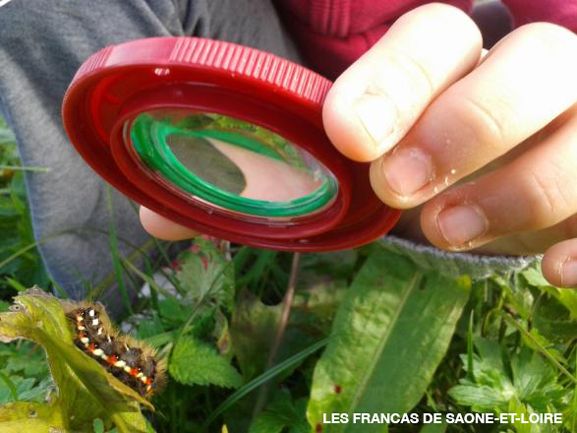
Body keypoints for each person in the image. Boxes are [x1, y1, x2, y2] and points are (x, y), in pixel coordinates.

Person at [1, 0, 576, 305]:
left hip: (414, 102)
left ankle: (410, 205)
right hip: (264, 57)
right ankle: (130, 317)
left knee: (529, 59)